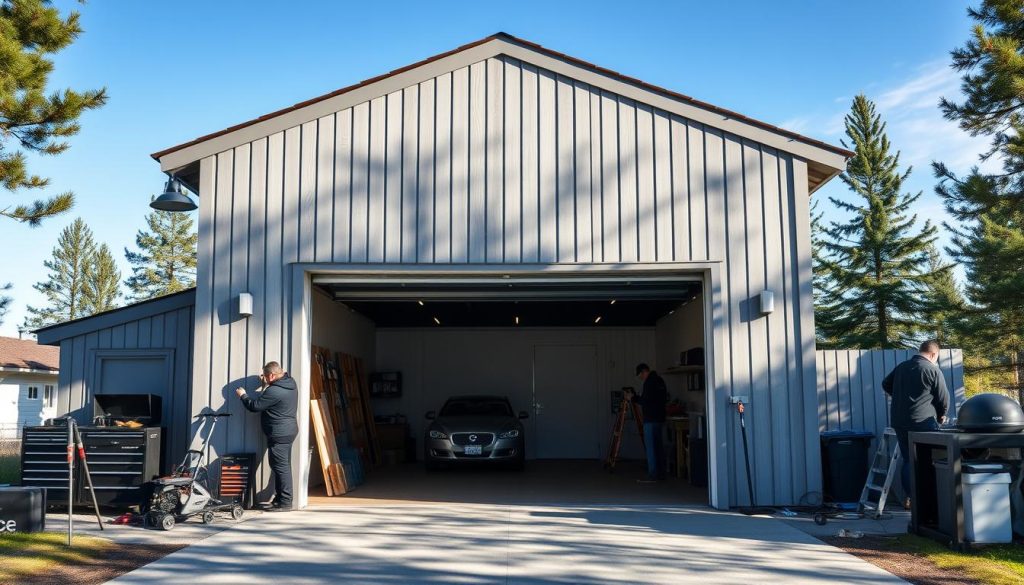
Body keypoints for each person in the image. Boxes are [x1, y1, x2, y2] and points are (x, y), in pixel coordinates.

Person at [882, 340, 950, 509]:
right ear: (933, 354)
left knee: (908, 460)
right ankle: (926, 500)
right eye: (937, 357)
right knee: (926, 461)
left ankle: (910, 498)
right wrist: (942, 415)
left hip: (899, 421)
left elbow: (885, 384)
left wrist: (899, 396)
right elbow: (943, 398)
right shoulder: (932, 369)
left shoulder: (902, 367)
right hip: (922, 422)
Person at [235, 361, 298, 511]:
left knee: (281, 467)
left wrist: (243, 396)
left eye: (265, 376)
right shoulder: (290, 382)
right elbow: (271, 399)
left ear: (271, 375)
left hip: (279, 433)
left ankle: (285, 502)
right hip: (288, 431)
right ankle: (279, 498)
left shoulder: (274, 391)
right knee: (281, 466)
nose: (264, 378)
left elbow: (255, 406)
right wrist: (266, 385)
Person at [630, 363, 668, 483]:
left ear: (643, 372)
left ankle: (652, 474)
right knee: (658, 447)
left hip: (650, 419)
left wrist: (633, 397)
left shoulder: (649, 383)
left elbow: (645, 400)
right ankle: (661, 472)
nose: (640, 378)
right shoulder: (660, 380)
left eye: (640, 375)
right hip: (660, 418)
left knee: (651, 448)